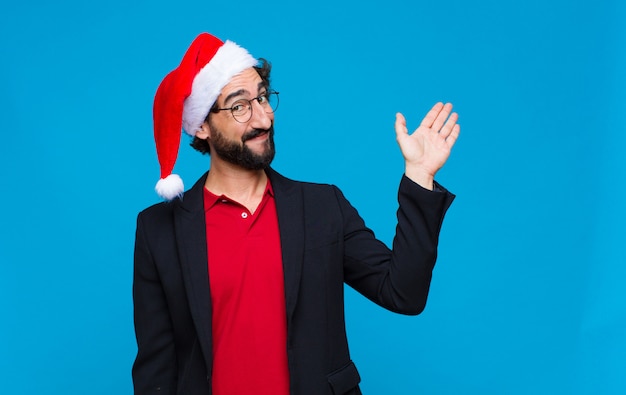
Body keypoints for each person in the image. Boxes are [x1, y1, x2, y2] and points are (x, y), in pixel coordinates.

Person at [133, 32, 460, 395]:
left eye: (262, 97)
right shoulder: (158, 229)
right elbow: (156, 370)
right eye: (240, 106)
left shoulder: (322, 207)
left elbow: (404, 293)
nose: (263, 118)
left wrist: (419, 177)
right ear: (202, 126)